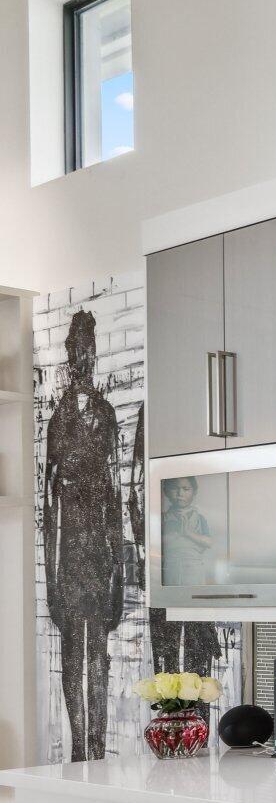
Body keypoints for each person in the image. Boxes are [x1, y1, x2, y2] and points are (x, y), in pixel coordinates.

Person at [41, 308, 126, 761]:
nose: (82, 357)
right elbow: (46, 502)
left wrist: (121, 567)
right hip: (68, 556)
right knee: (72, 656)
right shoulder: (57, 420)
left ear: (95, 354)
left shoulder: (105, 414)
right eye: (76, 349)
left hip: (98, 552)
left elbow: (114, 487)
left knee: (100, 656)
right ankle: (79, 747)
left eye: (88, 349)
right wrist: (51, 574)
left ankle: (97, 746)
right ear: (69, 355)